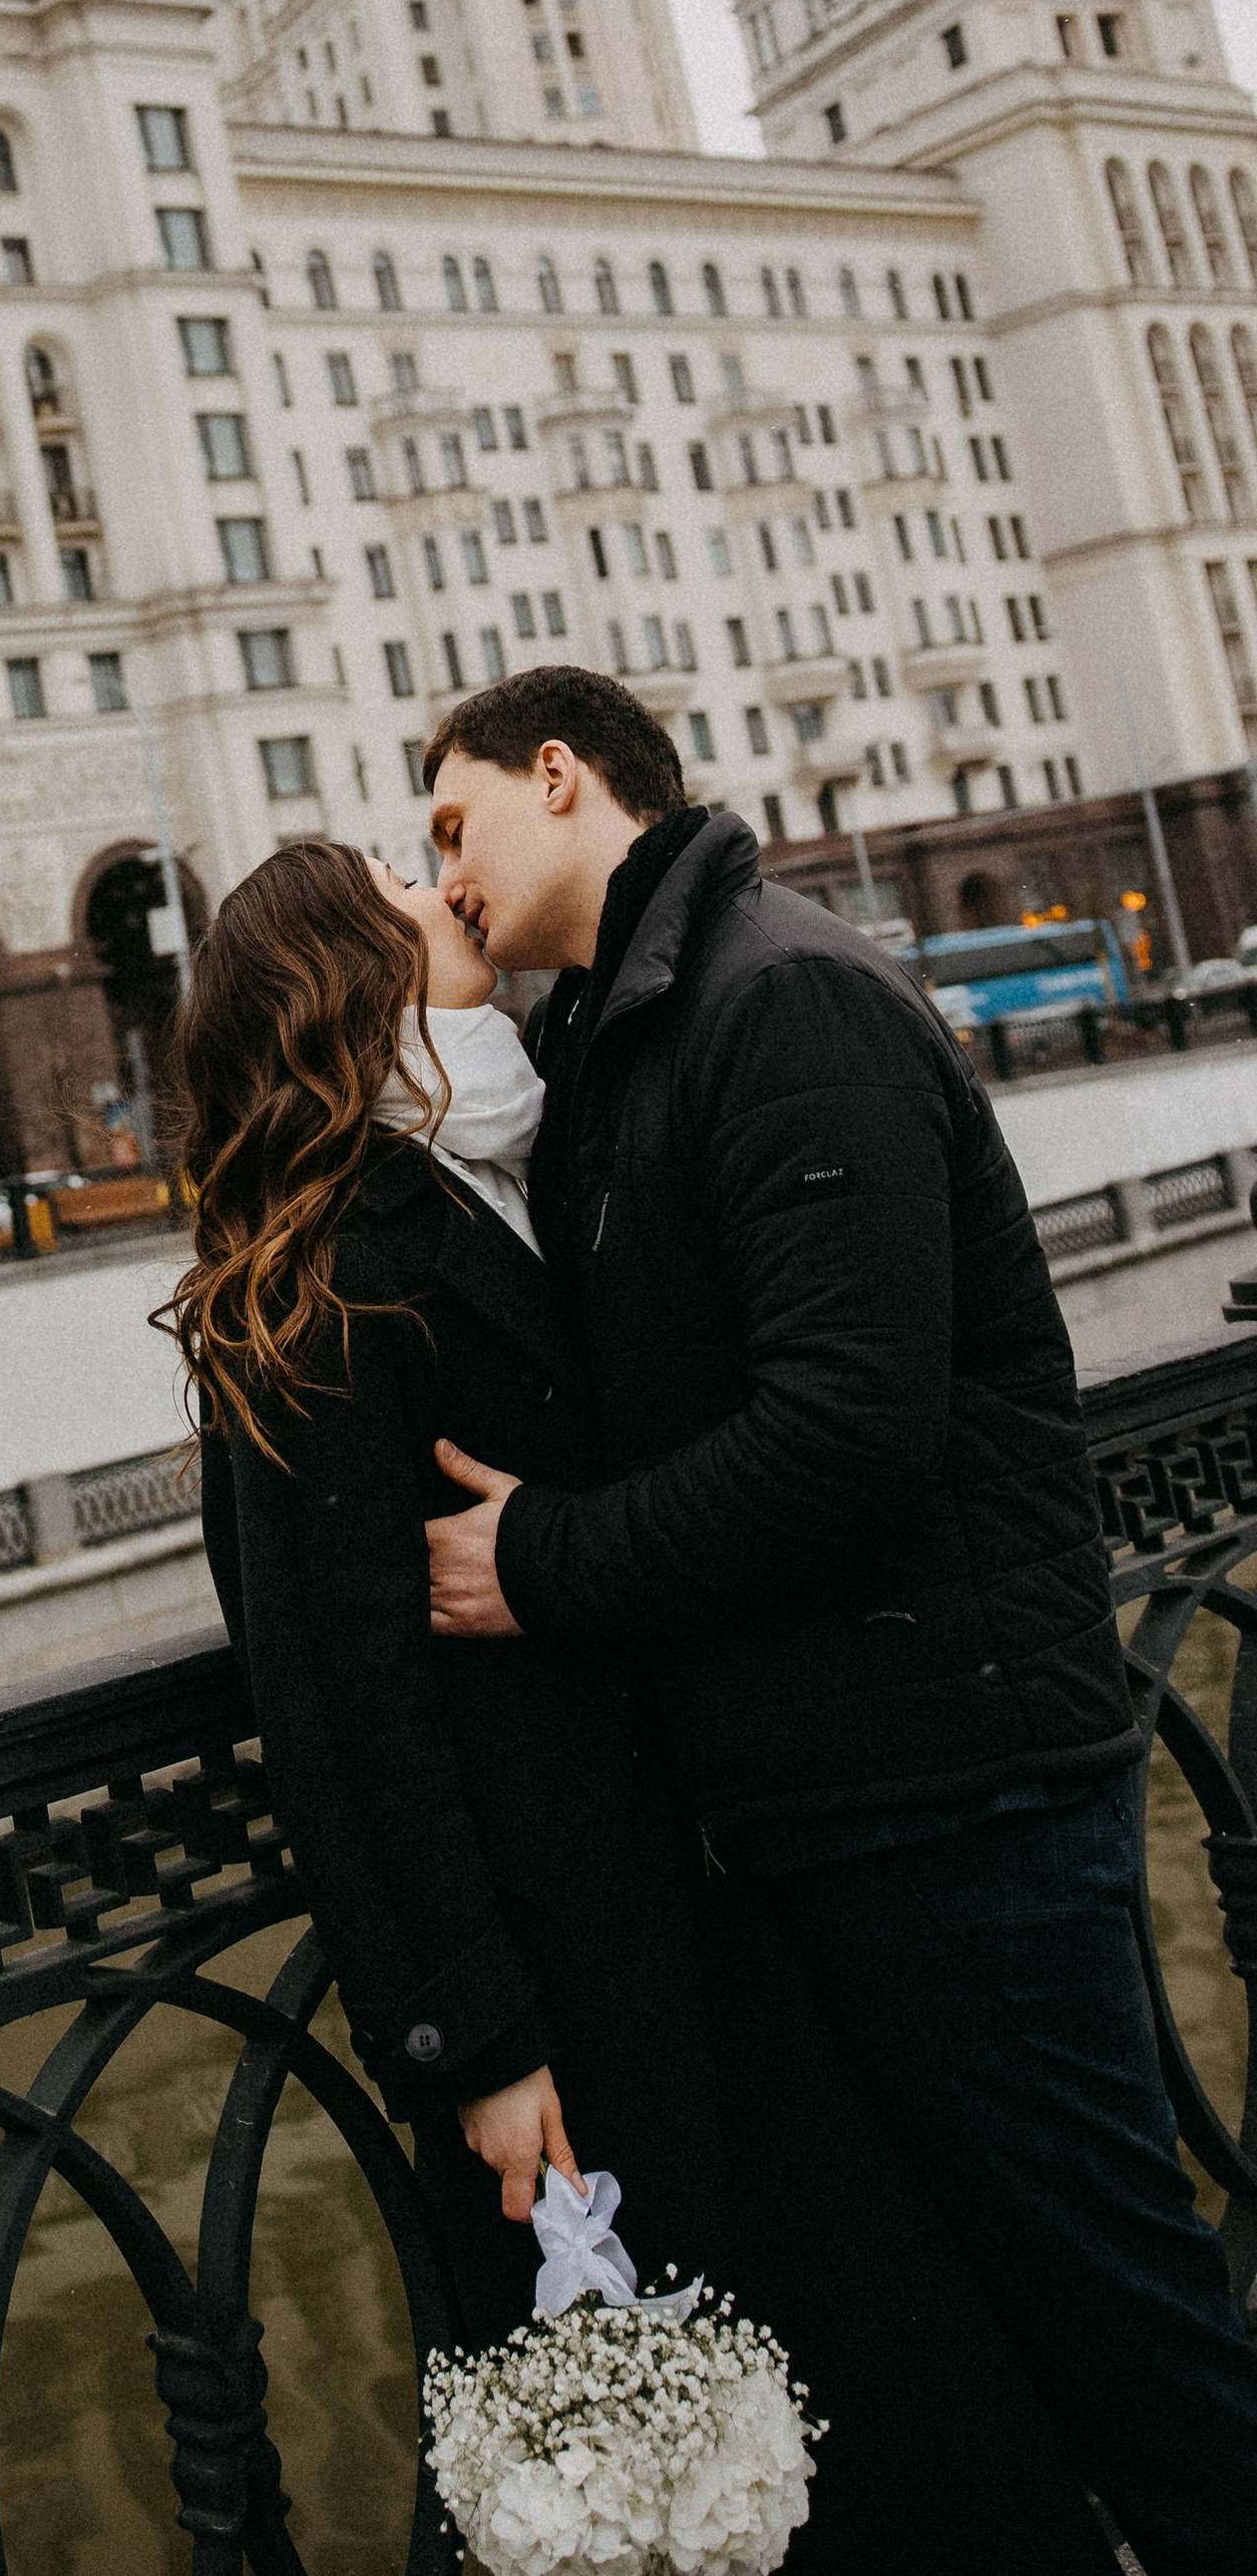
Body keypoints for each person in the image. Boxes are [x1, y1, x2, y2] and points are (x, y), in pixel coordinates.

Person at [175, 837, 1113, 2570]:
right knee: (674, 2480)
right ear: (344, 985)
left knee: (883, 2414)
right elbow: (340, 1714)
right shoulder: (312, 1282)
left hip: (710, 1911)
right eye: (401, 883)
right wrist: (473, 2037)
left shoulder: (511, 1169)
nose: (440, 884)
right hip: (562, 2004)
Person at [418, 661, 1257, 2576]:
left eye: (452, 824)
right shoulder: (644, 1025)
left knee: (1123, 2330)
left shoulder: (775, 997)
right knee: (987, 2347)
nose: (443, 877)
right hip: (850, 1791)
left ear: (561, 779)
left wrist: (540, 1562)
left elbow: (849, 1432)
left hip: (954, 1785)